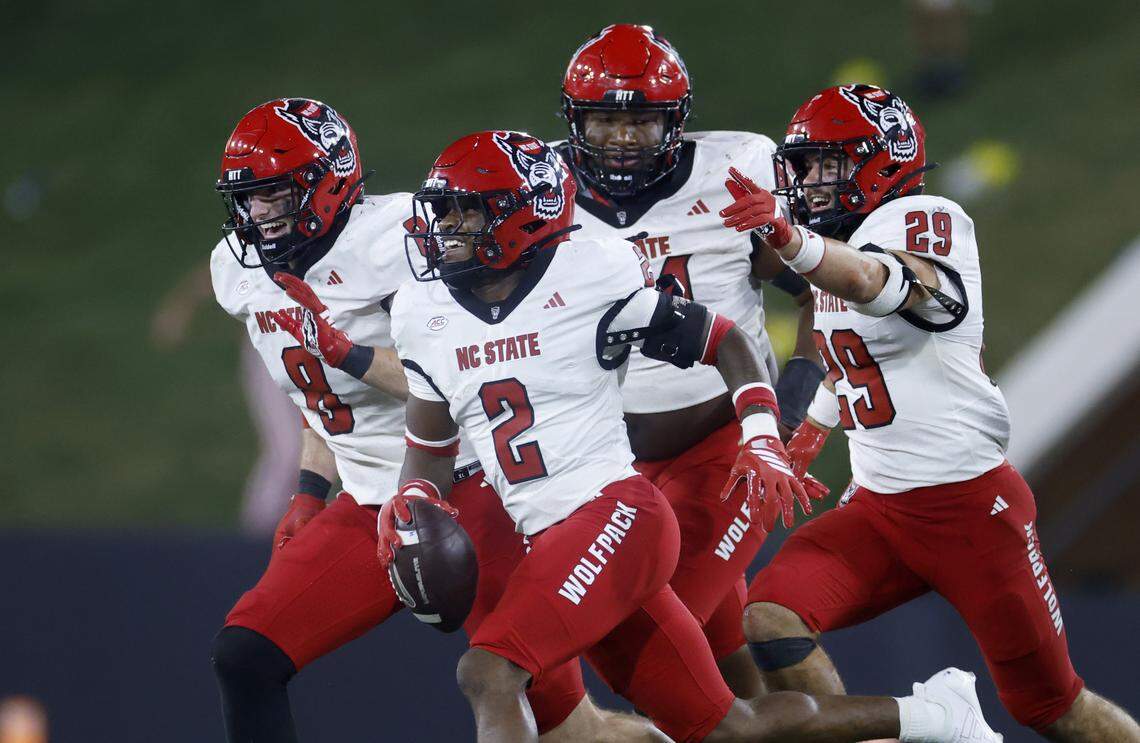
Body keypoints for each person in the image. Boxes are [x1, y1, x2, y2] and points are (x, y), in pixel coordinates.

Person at [296, 128, 1003, 743]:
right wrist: (413, 494)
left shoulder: (586, 271)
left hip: (617, 514)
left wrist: (762, 428)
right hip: (548, 528)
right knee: (727, 726)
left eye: (467, 212)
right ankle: (934, 712)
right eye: (442, 212)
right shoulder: (425, 310)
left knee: (489, 670)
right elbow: (432, 435)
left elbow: (721, 337)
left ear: (522, 215)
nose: (446, 229)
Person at [208, 98, 648, 742]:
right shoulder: (238, 269)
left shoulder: (400, 243)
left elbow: (453, 374)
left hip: (468, 487)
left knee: (565, 729)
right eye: (248, 198)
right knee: (245, 657)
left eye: (274, 194)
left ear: (327, 182)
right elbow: (317, 400)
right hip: (367, 505)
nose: (259, 214)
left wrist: (346, 350)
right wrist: (308, 493)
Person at [722, 83, 1140, 742]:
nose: (813, 181)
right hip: (881, 508)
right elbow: (858, 348)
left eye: (832, 162)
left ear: (883, 160)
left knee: (1054, 708)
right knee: (770, 617)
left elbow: (876, 285)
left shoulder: (921, 218)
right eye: (806, 166)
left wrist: (791, 241)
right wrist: (817, 426)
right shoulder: (840, 243)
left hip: (969, 507)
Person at [551, 23, 825, 696]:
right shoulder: (542, 194)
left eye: (642, 119)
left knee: (647, 641)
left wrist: (790, 406)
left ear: (675, 119)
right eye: (604, 119)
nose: (622, 137)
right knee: (725, 663)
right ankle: (901, 724)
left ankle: (916, 718)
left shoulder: (734, 174)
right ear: (572, 120)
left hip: (727, 443)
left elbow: (822, 290)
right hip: (610, 462)